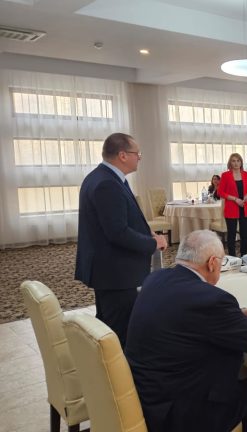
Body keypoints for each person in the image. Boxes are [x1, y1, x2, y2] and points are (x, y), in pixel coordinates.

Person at [126, 230, 247, 432]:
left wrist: (239, 315)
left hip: (149, 396)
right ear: (212, 262)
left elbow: (184, 317)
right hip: (185, 412)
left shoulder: (155, 279)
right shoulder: (211, 299)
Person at [75, 132, 168, 346]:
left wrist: (148, 233)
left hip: (110, 270)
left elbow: (120, 219)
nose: (139, 158)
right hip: (116, 273)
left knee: (108, 326)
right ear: (123, 155)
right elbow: (117, 232)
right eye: (137, 153)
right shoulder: (107, 183)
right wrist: (153, 243)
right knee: (120, 332)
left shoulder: (103, 177)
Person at [219, 153, 247, 257]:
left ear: (241, 162)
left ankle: (244, 257)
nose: (236, 163)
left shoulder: (246, 174)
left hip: (245, 207)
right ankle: (232, 258)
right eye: (233, 161)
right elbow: (220, 192)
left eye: (238, 161)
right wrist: (235, 199)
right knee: (231, 235)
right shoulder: (225, 175)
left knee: (244, 235)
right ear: (230, 163)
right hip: (231, 208)